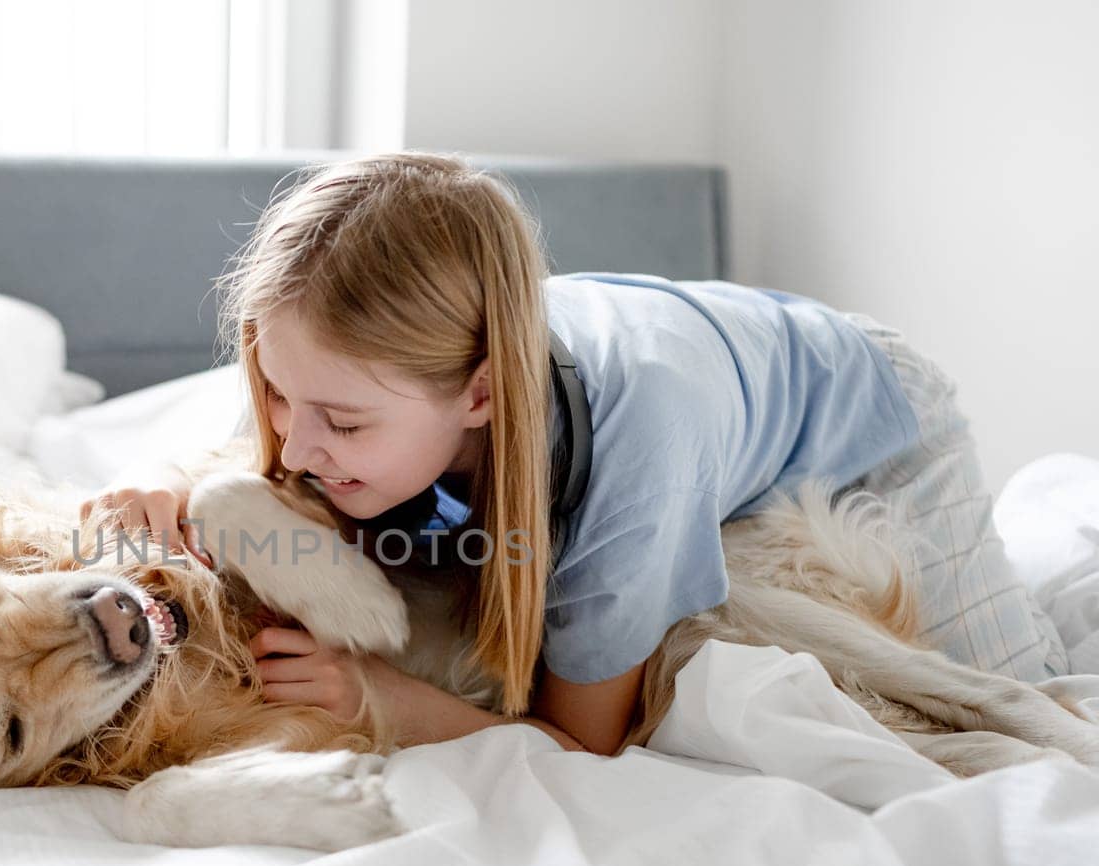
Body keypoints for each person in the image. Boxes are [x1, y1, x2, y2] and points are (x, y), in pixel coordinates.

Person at [81, 151, 1068, 756]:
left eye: (339, 424)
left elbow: (579, 738)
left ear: (478, 393)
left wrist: (377, 697)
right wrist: (168, 479)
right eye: (277, 394)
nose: (297, 444)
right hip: (698, 387)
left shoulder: (640, 451)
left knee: (1028, 685)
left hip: (868, 413)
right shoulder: (362, 375)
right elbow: (265, 434)